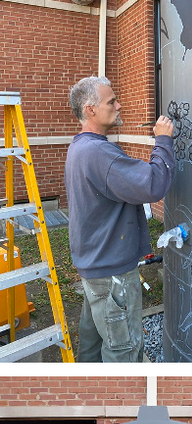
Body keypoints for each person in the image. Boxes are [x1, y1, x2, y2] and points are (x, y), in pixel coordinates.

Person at [65, 76, 174, 362]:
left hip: (94, 266)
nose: (119, 105)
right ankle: (122, 406)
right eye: (111, 101)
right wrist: (163, 140)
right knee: (123, 351)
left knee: (93, 345)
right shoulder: (99, 153)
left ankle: (89, 399)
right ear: (90, 109)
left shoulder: (79, 147)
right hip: (112, 274)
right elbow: (152, 184)